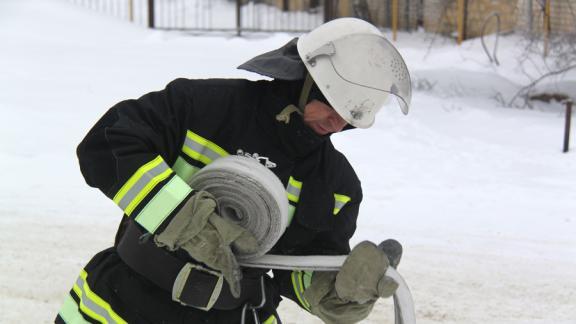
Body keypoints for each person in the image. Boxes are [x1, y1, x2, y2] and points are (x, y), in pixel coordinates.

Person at [55, 17, 412, 324]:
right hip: (121, 306)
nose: (337, 123)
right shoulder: (203, 109)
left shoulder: (335, 184)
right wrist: (184, 219)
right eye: (332, 105)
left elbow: (299, 272)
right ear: (306, 81)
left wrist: (340, 293)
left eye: (350, 118)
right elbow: (107, 144)